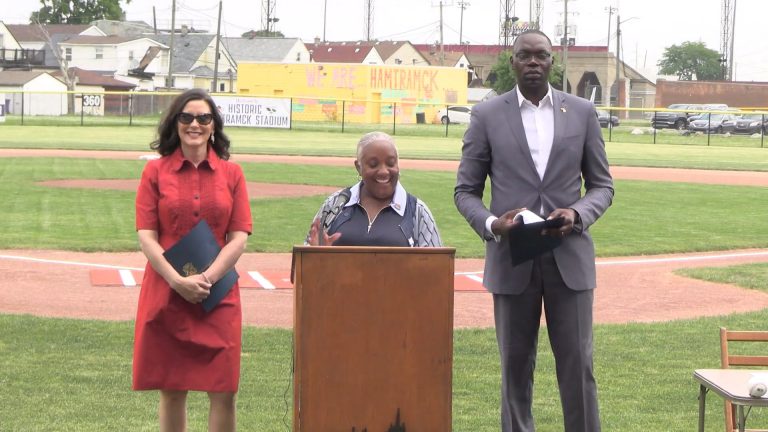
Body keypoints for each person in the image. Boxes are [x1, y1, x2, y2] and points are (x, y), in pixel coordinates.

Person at [454, 30, 614, 432]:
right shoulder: (487, 116)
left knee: (578, 366)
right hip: (513, 258)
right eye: (524, 56)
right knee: (514, 369)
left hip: (569, 259)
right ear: (513, 62)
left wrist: (577, 214)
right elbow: (465, 191)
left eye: (541, 56)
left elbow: (603, 186)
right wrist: (493, 224)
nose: (533, 63)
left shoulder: (580, 112)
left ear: (551, 62)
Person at [133, 88, 252, 432]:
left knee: (224, 391)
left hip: (218, 296)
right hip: (168, 291)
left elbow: (239, 236)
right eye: (186, 117)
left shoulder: (233, 174)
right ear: (175, 123)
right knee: (172, 389)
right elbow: (146, 235)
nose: (195, 124)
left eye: (203, 118)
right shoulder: (155, 172)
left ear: (214, 125)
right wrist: (177, 281)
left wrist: (208, 279)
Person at [306, 131, 442, 248]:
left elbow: (437, 270)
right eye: (373, 164)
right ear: (358, 167)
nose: (383, 171)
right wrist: (316, 256)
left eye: (390, 163)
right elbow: (303, 268)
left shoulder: (418, 212)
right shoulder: (335, 204)